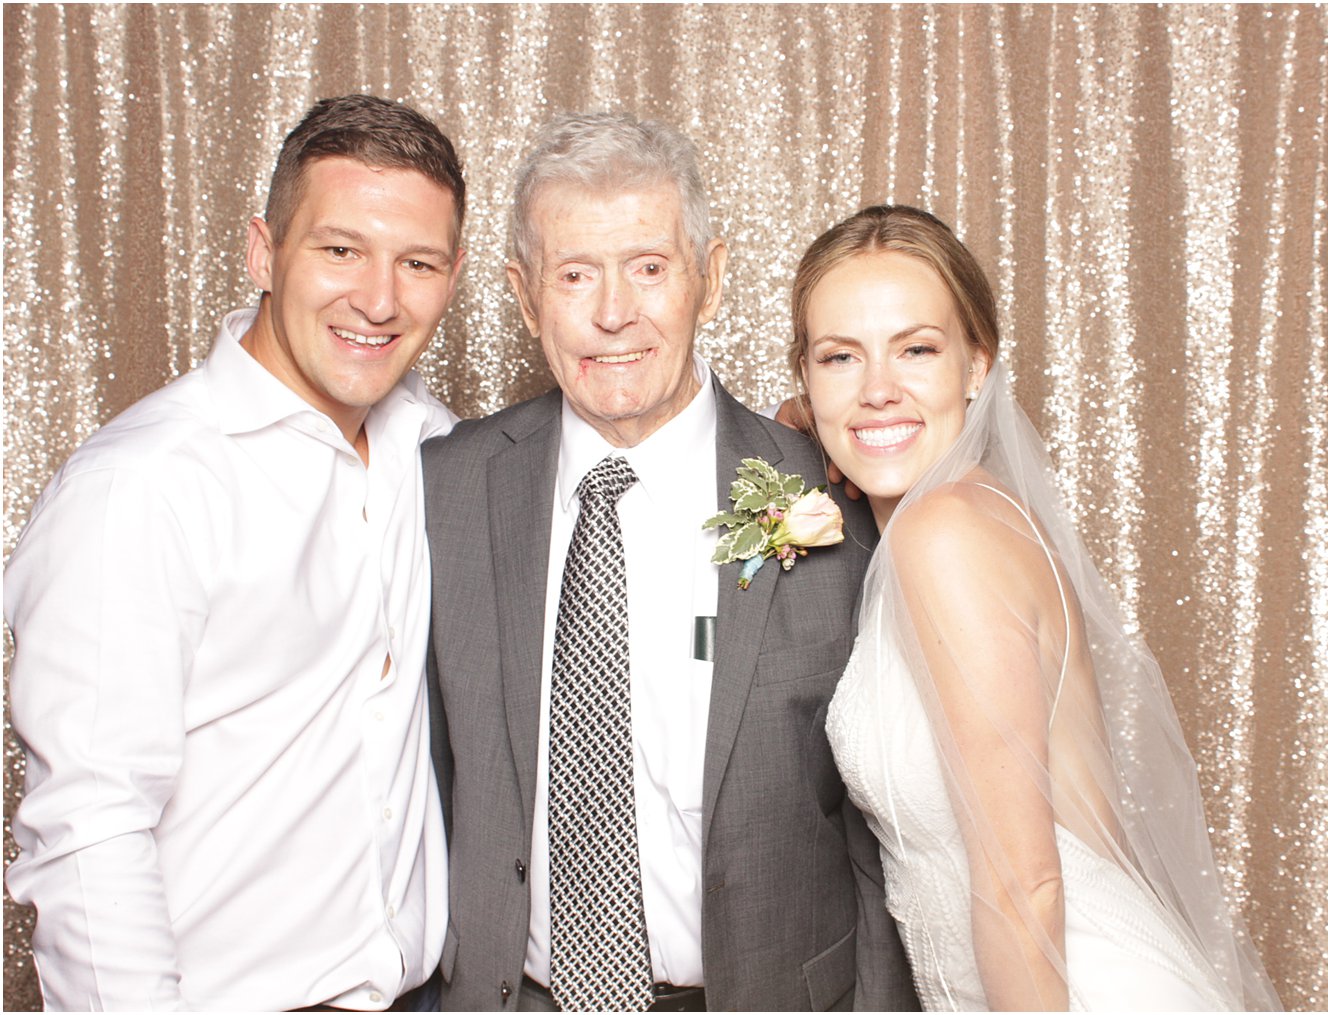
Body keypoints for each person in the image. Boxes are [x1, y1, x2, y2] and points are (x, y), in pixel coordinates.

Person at [421, 112, 916, 1012]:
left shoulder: (840, 496)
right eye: (576, 276)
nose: (615, 313)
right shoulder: (443, 489)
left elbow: (894, 835)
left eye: (649, 267)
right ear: (526, 297)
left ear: (711, 278)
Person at [5, 94, 467, 1010]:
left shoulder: (438, 448)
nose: (378, 298)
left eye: (416, 262)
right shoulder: (139, 487)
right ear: (263, 251)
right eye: (340, 250)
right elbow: (89, 824)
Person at [790, 204, 1281, 1011]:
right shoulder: (968, 511)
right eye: (842, 357)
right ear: (806, 380)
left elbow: (1027, 883)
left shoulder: (944, 534)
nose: (879, 389)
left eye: (917, 349)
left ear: (977, 367)